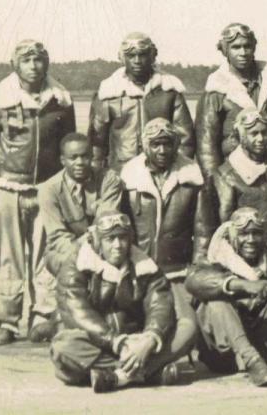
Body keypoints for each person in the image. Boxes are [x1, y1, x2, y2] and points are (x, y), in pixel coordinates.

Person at [0, 39, 76, 344]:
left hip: (47, 188)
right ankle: (6, 320)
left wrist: (58, 182)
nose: (33, 65)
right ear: (15, 65)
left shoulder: (61, 101)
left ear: (47, 63)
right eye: (27, 60)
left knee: (47, 255)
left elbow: (69, 143)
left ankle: (44, 316)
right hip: (8, 186)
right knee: (7, 256)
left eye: (39, 59)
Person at [50, 211, 194, 392]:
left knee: (187, 328)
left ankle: (116, 377)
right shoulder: (75, 265)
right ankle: (147, 372)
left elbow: (160, 305)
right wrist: (119, 343)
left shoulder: (147, 266)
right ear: (97, 242)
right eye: (110, 239)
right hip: (97, 344)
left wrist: (149, 339)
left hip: (138, 342)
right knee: (63, 346)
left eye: (122, 238)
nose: (117, 245)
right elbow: (78, 313)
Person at [110, 118, 208, 364]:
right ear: (145, 146)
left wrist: (195, 270)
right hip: (138, 271)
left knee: (186, 324)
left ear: (176, 145)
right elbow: (119, 228)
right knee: (123, 323)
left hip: (177, 272)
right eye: (155, 144)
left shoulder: (192, 178)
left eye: (167, 144)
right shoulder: (128, 179)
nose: (162, 150)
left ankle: (152, 365)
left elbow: (203, 231)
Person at [187, 207, 267, 386]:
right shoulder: (215, 258)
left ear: (264, 237)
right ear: (232, 235)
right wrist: (242, 285)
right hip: (226, 355)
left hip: (265, 348)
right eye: (243, 234)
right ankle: (251, 360)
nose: (250, 240)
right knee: (216, 299)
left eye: (256, 234)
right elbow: (194, 279)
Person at [87, 32, 194, 173]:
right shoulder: (107, 93)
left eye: (142, 55)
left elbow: (185, 140)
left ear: (152, 56)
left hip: (162, 172)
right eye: (131, 56)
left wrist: (178, 173)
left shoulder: (169, 91)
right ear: (122, 58)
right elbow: (97, 144)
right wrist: (97, 176)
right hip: (120, 173)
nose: (137, 60)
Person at [197, 23, 267, 176]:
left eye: (247, 46)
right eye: (236, 47)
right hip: (233, 172)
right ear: (225, 50)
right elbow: (207, 147)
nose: (243, 52)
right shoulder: (215, 92)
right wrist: (214, 182)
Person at [211, 111, 267, 252]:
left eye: (264, 133)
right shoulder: (227, 176)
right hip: (250, 256)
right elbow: (224, 226)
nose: (261, 138)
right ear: (241, 136)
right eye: (254, 134)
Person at [38, 134, 123, 272]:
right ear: (62, 160)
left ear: (92, 157)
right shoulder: (48, 189)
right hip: (68, 251)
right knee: (66, 267)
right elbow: (58, 237)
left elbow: (106, 225)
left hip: (104, 247)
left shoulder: (109, 180)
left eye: (85, 156)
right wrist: (82, 251)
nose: (80, 162)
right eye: (73, 157)